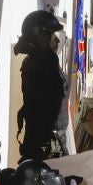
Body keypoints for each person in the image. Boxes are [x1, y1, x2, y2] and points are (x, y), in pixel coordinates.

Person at [14, 9, 68, 162]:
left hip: (51, 144)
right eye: (52, 36)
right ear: (41, 38)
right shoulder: (42, 64)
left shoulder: (41, 62)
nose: (57, 41)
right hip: (47, 148)